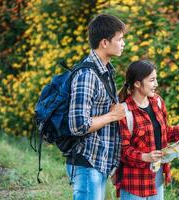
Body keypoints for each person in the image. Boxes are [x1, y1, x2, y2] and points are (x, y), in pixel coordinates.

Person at [116, 60, 179, 199]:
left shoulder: (157, 102)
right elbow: (122, 150)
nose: (156, 84)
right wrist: (145, 157)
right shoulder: (124, 111)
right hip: (134, 181)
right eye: (152, 80)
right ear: (137, 83)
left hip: (156, 175)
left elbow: (166, 133)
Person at [66, 14, 126, 200]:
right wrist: (111, 116)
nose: (123, 43)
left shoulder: (105, 71)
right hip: (86, 162)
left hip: (99, 162)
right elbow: (77, 125)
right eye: (120, 39)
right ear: (105, 43)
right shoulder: (87, 75)